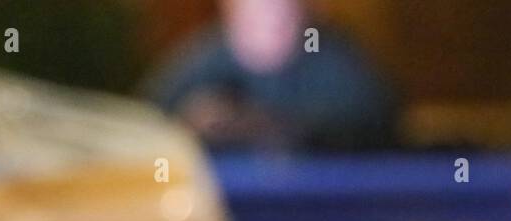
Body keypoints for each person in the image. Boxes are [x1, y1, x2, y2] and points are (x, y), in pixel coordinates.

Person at [145, 0, 400, 152]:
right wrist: (190, 127)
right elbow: (144, 129)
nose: (268, 7)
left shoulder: (332, 59)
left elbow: (373, 127)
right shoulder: (200, 61)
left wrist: (263, 127)